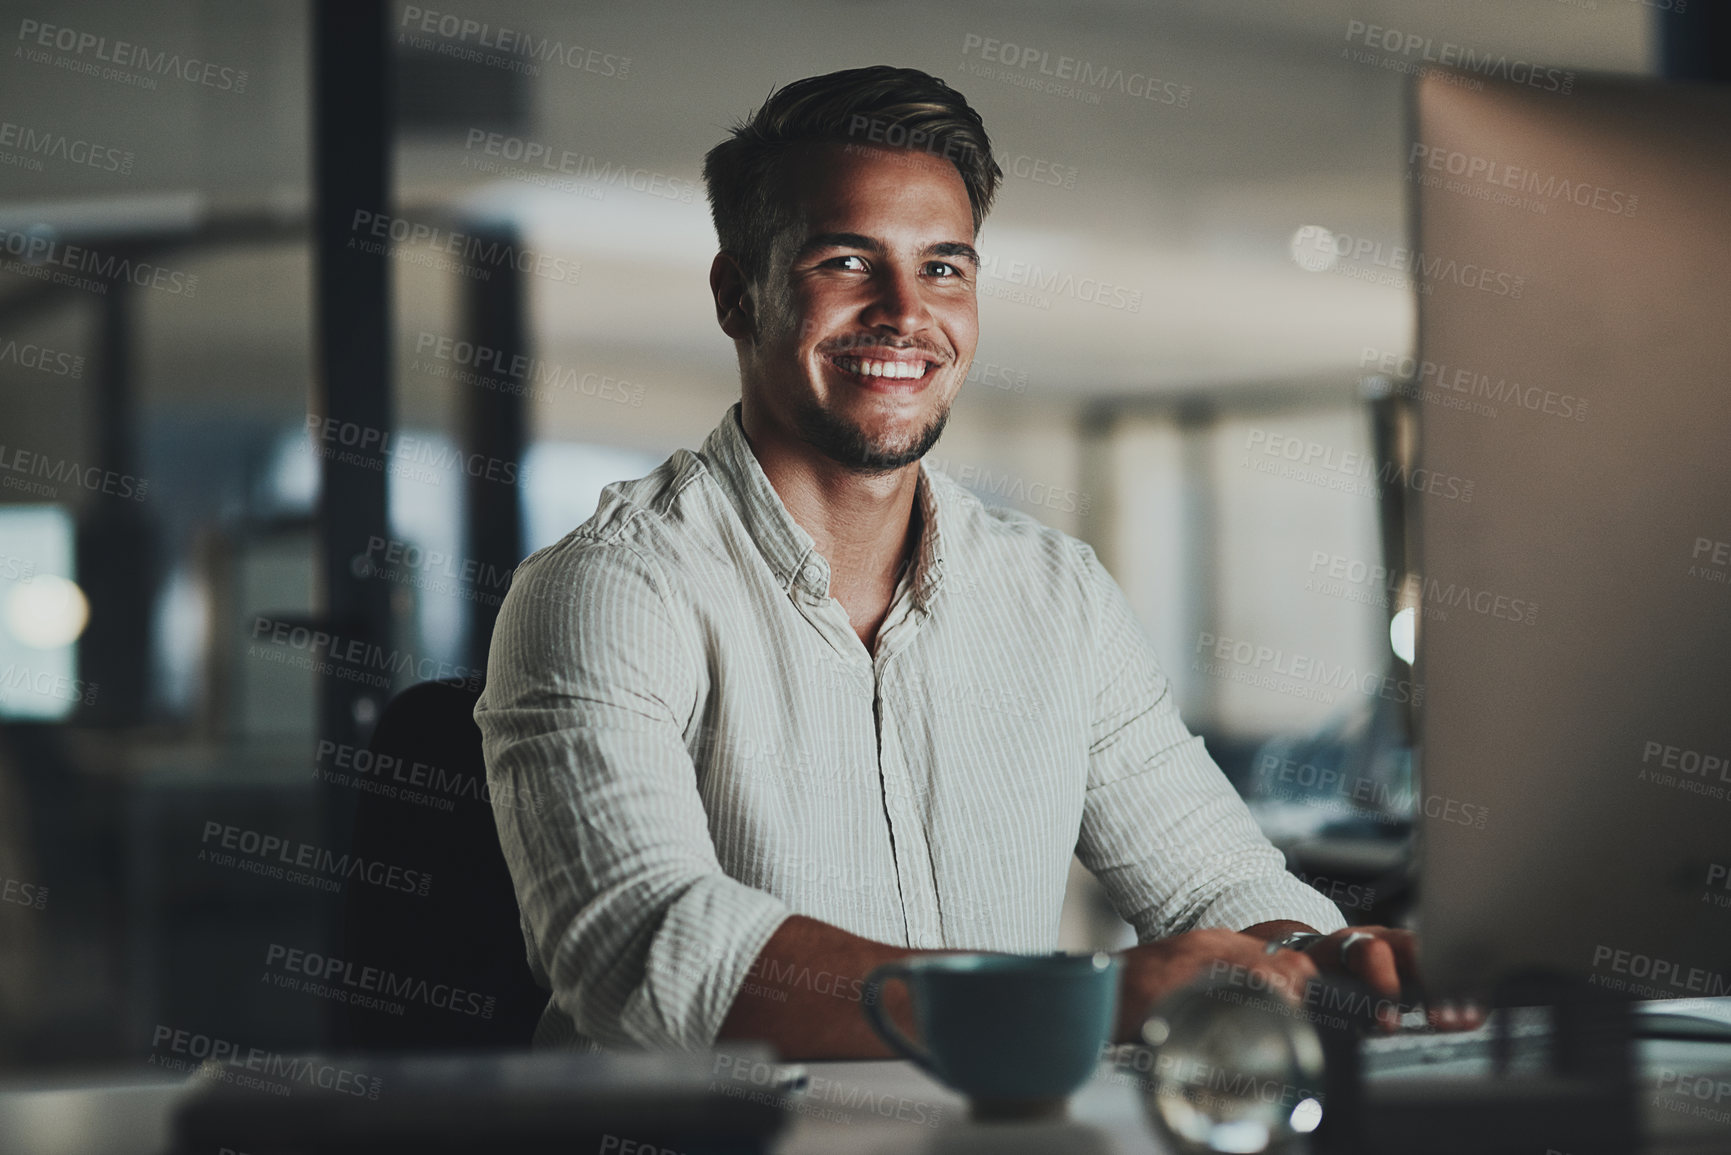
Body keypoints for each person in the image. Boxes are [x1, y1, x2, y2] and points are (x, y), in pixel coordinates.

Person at [477, 65, 1443, 1059]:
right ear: (737, 296)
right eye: (846, 263)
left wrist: (1329, 958)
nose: (905, 311)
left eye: (944, 267)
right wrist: (1091, 999)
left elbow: (1212, 883)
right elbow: (643, 950)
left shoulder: (1055, 598)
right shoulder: (607, 589)